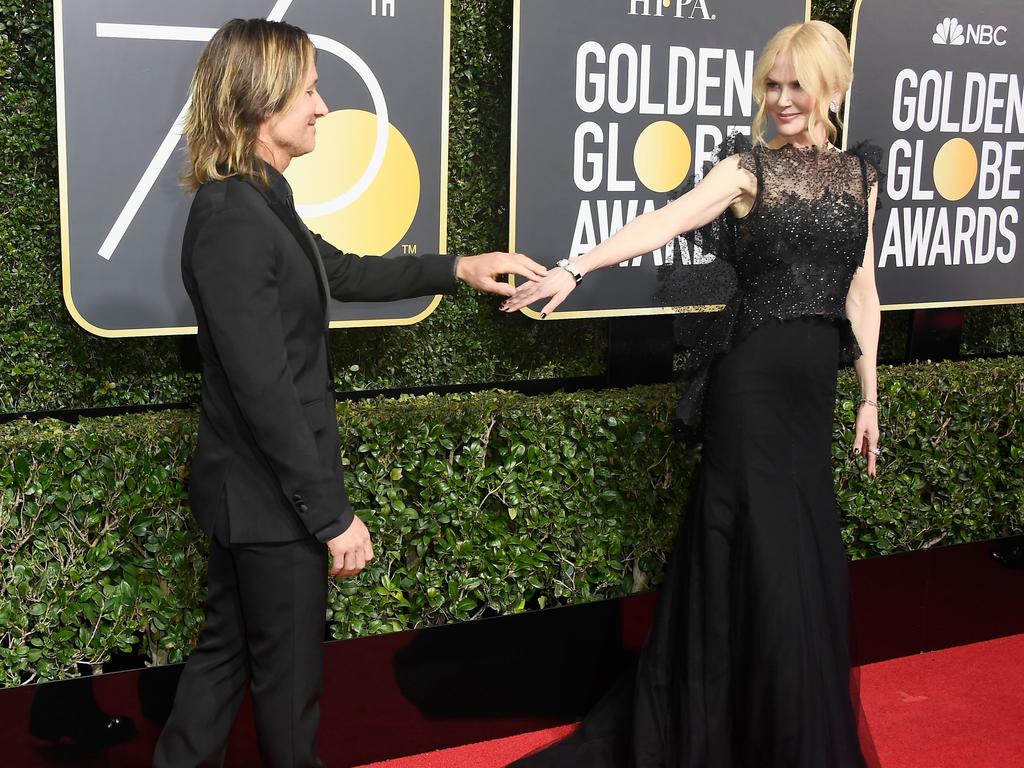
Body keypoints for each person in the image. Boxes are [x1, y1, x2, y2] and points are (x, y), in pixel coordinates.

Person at [152, 18, 546, 768]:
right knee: (287, 688)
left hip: (259, 500)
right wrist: (331, 518)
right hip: (270, 506)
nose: (322, 106)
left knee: (222, 663)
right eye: (308, 90)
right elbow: (265, 390)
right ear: (262, 103)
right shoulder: (232, 217)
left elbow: (343, 272)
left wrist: (456, 267)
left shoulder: (259, 201)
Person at [502, 20, 880, 768]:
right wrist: (576, 267)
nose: (781, 100)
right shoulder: (747, 170)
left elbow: (863, 286)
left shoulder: (861, 177)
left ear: (831, 86)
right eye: (771, 85)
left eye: (795, 85)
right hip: (751, 385)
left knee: (802, 557)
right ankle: (721, 731)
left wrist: (869, 397)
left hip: (811, 392)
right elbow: (666, 220)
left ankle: (781, 730)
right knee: (754, 551)